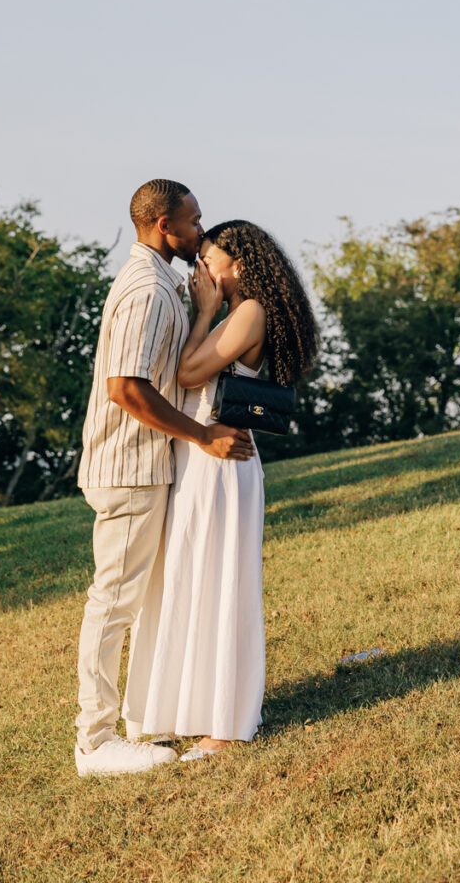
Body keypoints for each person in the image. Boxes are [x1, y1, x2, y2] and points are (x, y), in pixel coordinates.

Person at [74, 182, 255, 778]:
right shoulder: (150, 289)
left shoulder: (161, 282)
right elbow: (125, 389)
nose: (201, 231)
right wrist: (202, 436)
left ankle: (144, 714)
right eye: (193, 220)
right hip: (128, 466)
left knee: (136, 600)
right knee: (115, 602)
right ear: (161, 224)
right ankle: (95, 743)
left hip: (150, 465)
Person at [123, 220, 319, 759]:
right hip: (199, 459)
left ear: (239, 264)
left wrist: (204, 311)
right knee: (188, 579)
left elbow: (188, 375)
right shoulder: (240, 312)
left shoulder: (249, 311)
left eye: (209, 259)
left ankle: (227, 724)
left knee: (221, 583)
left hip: (223, 466)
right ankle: (183, 708)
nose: (200, 270)